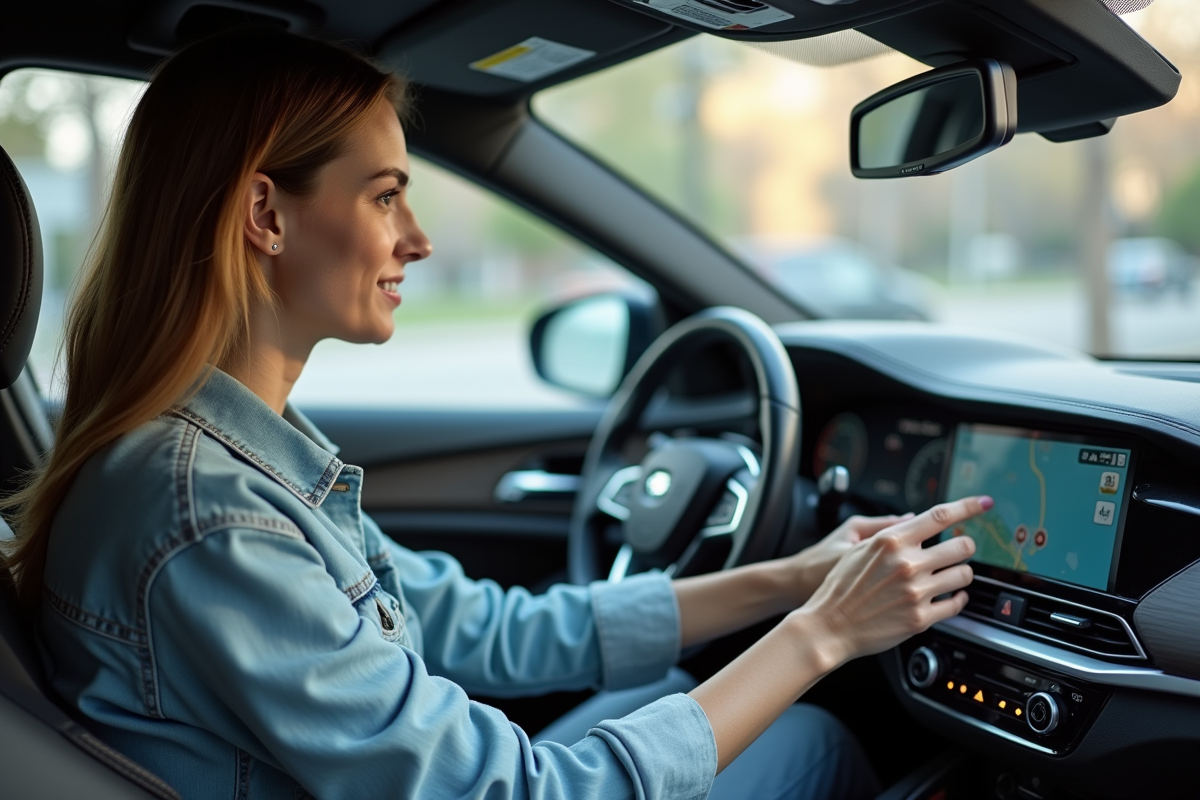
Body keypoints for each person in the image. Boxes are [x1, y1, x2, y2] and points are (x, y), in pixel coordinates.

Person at [0, 29, 987, 800]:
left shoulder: (213, 464)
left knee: (679, 699)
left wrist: (794, 579)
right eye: (386, 197)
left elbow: (476, 626)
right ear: (266, 215)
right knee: (806, 733)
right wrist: (822, 634)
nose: (417, 239)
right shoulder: (208, 515)